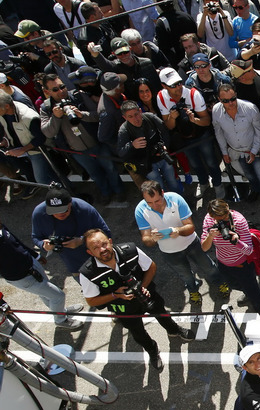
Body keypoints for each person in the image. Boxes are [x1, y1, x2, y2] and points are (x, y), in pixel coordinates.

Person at [78, 229, 195, 371]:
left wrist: (142, 287)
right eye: (95, 248)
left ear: (110, 242)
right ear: (89, 252)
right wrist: (116, 295)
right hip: (123, 307)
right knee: (137, 332)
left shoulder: (130, 250)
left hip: (146, 295)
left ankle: (174, 330)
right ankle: (152, 350)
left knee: (161, 312)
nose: (102, 250)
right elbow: (91, 301)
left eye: (104, 244)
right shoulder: (87, 273)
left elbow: (151, 267)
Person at [135, 181, 228, 304]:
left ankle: (220, 283)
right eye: (149, 203)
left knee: (208, 267)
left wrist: (177, 231)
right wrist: (153, 238)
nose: (154, 206)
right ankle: (193, 290)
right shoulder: (140, 210)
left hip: (191, 244)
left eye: (157, 201)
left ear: (162, 193)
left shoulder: (176, 199)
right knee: (186, 276)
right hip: (169, 252)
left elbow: (190, 227)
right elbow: (146, 239)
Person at [39, 74, 125, 205]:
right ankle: (105, 192)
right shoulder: (46, 108)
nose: (61, 91)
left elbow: (98, 115)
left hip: (97, 143)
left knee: (110, 168)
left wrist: (81, 114)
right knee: (95, 174)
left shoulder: (79, 96)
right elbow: (48, 132)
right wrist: (56, 117)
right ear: (47, 92)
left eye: (62, 87)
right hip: (77, 151)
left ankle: (119, 191)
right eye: (55, 89)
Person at [1, 218, 82, 330]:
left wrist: (35, 255)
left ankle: (61, 311)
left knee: (47, 293)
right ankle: (61, 320)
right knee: (58, 295)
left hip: (31, 263)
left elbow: (16, 242)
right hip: (22, 277)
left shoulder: (1, 227)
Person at [156, 67, 223, 200]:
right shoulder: (161, 97)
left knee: (211, 162)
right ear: (164, 86)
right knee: (195, 164)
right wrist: (173, 117)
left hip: (202, 135)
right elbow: (168, 125)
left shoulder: (193, 94)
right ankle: (203, 183)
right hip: (184, 138)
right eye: (173, 85)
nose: (178, 87)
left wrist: (194, 120)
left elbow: (207, 121)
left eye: (179, 83)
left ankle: (218, 185)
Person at [212, 84, 260, 213]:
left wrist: (253, 151)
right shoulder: (216, 111)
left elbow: (259, 132)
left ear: (236, 94)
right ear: (219, 99)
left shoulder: (250, 108)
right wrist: (224, 152)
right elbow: (218, 132)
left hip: (255, 150)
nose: (230, 103)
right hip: (236, 152)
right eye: (225, 101)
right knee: (248, 175)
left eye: (232, 99)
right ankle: (255, 190)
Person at [200, 199, 260, 312]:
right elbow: (204, 248)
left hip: (242, 265)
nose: (220, 222)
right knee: (233, 284)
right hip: (222, 263)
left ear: (228, 211)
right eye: (216, 220)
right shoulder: (209, 219)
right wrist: (210, 236)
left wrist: (237, 242)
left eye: (224, 219)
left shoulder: (239, 221)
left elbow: (249, 250)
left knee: (255, 293)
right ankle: (248, 293)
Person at [31, 187, 111, 276]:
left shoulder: (84, 208)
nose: (59, 214)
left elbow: (106, 232)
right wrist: (44, 246)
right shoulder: (39, 214)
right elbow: (36, 237)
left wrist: (82, 240)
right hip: (75, 265)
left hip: (100, 256)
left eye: (64, 210)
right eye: (55, 211)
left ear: (70, 204)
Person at [118, 100, 180, 193]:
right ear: (124, 117)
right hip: (147, 165)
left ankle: (178, 199)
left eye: (136, 114)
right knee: (158, 188)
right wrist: (132, 145)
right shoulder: (124, 130)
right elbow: (121, 152)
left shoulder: (150, 117)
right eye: (130, 117)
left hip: (162, 157)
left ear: (140, 111)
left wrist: (164, 146)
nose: (136, 119)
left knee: (172, 181)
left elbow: (165, 132)